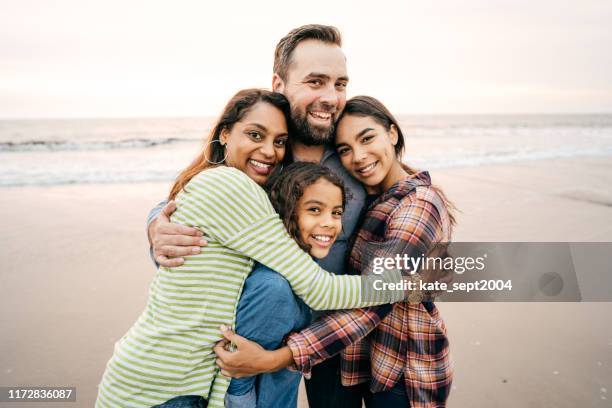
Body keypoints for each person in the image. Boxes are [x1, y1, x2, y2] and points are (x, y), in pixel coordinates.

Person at [96, 90, 404, 408]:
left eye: (280, 141)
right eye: (255, 134)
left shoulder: (244, 189)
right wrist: (406, 283)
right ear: (225, 133)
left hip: (180, 383)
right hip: (158, 386)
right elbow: (320, 290)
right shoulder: (232, 186)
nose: (269, 151)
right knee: (277, 287)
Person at [147, 25, 373, 408]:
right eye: (315, 81)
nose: (331, 97)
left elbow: (403, 193)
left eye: (340, 84)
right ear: (279, 82)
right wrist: (156, 225)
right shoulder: (261, 158)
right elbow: (194, 192)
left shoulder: (355, 153)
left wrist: (447, 272)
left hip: (334, 333)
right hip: (254, 329)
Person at [214, 96, 456, 407]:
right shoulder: (367, 193)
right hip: (347, 356)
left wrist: (276, 359)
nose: (358, 156)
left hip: (402, 366)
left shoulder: (419, 203)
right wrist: (159, 220)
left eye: (367, 138)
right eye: (344, 149)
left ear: (392, 134)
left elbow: (377, 298)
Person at [226, 161, 348, 408]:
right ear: (286, 212)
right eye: (315, 210)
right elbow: (238, 379)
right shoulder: (274, 286)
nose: (330, 222)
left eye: (336, 212)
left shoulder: (303, 274)